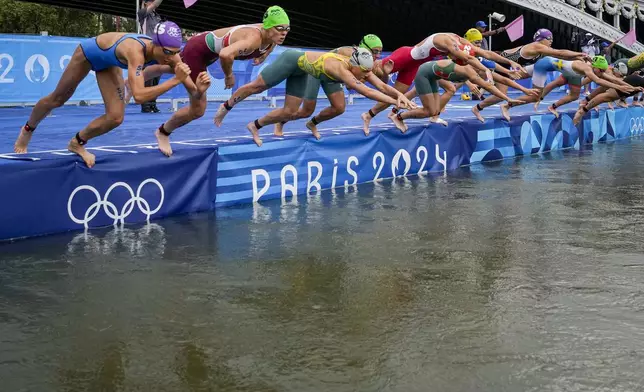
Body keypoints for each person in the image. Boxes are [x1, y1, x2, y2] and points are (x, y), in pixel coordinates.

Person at [13, 22, 191, 167]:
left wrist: (198, 89)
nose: (172, 57)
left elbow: (187, 77)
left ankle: (77, 142)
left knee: (115, 117)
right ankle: (28, 128)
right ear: (155, 44)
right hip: (89, 54)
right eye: (168, 52)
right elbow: (139, 96)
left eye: (176, 52)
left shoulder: (171, 53)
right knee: (58, 99)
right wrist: (175, 80)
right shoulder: (135, 51)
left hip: (109, 63)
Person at [132, 5, 289, 156]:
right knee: (198, 109)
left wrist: (263, 56)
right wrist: (229, 76)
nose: (284, 33)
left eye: (286, 29)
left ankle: (137, 78)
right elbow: (226, 54)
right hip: (198, 50)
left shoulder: (272, 38)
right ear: (267, 27)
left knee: (172, 68)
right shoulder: (253, 38)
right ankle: (162, 132)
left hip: (206, 48)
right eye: (279, 29)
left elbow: (267, 47)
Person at [213, 47, 416, 146]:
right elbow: (368, 91)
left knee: (290, 111)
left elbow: (380, 85)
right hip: (291, 60)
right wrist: (395, 102)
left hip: (303, 72)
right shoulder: (339, 68)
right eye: (363, 73)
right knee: (256, 87)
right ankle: (226, 107)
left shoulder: (361, 66)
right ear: (354, 66)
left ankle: (255, 126)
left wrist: (401, 96)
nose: (365, 76)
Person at [360, 32, 524, 135]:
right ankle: (352, 79)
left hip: (415, 66)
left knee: (397, 96)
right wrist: (485, 70)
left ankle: (369, 115)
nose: (455, 58)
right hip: (405, 56)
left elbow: (486, 54)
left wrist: (510, 65)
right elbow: (468, 59)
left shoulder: (461, 42)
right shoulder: (446, 41)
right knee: (379, 72)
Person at [274, 34, 385, 136]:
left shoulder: (365, 61)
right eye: (375, 51)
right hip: (317, 72)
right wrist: (366, 77)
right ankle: (281, 120)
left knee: (339, 108)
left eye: (380, 52)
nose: (378, 55)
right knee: (306, 111)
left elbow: (351, 87)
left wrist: (376, 74)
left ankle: (312, 123)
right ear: (365, 48)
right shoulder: (350, 54)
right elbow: (350, 86)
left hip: (331, 78)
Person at [471, 28, 588, 121]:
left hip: (512, 67)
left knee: (524, 95)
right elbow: (559, 52)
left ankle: (480, 106)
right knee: (497, 93)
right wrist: (579, 53)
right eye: (548, 38)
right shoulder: (536, 46)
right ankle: (489, 104)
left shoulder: (542, 50)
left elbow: (560, 55)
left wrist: (576, 56)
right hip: (500, 63)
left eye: (552, 38)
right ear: (540, 39)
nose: (551, 40)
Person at [388, 58, 525, 133]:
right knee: (428, 109)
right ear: (479, 68)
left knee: (436, 105)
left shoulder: (476, 69)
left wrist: (519, 84)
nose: (488, 74)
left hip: (433, 74)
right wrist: (508, 99)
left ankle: (433, 116)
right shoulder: (471, 72)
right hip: (425, 73)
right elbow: (489, 86)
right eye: (487, 72)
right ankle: (397, 116)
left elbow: (503, 80)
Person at [499, 55, 636, 121]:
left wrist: (629, 86)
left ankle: (483, 101)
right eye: (600, 70)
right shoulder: (587, 69)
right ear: (596, 67)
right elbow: (601, 80)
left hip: (548, 63)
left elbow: (608, 77)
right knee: (534, 94)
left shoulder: (595, 68)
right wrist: (621, 88)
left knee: (512, 77)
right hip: (544, 66)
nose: (602, 73)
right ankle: (507, 105)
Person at [137, 0, 165, 113]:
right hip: (147, 48)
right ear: (145, 3)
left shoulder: (158, 16)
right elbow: (155, 4)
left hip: (158, 49)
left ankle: (153, 103)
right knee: (148, 78)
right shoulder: (143, 13)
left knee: (156, 77)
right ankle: (146, 105)